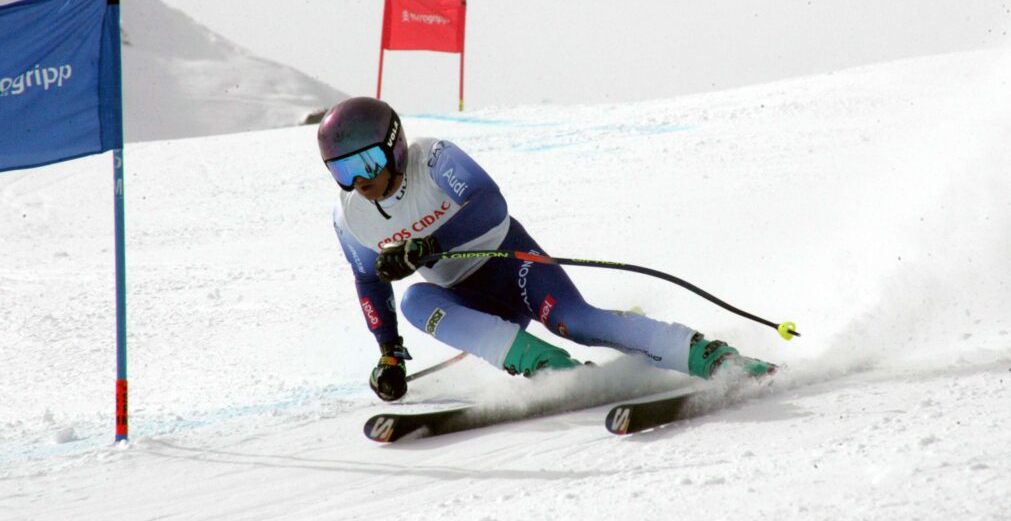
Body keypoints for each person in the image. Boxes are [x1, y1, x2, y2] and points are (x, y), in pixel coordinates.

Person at [319, 97, 774, 401]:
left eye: (368, 162)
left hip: (512, 265)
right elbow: (368, 280)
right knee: (417, 298)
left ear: (394, 147)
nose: (361, 181)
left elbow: (491, 205)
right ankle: (552, 368)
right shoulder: (349, 217)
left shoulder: (434, 158)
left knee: (573, 322)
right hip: (464, 299)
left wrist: (430, 245)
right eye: (343, 172)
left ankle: (714, 357)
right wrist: (389, 352)